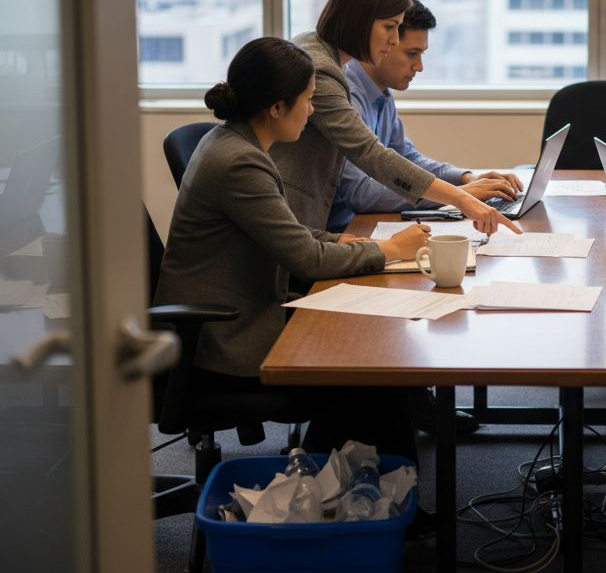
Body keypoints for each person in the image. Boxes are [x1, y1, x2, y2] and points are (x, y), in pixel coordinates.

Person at [154, 37, 430, 460]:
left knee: (374, 350)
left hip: (237, 316)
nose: (313, 111)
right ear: (277, 107)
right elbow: (306, 259)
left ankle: (351, 476)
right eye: (308, 100)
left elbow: (290, 232)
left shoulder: (237, 144)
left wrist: (342, 240)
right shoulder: (240, 163)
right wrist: (390, 250)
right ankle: (339, 481)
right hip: (223, 342)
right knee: (373, 368)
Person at [271, 0, 519, 240]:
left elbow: (402, 153)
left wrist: (464, 180)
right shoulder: (321, 71)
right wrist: (460, 197)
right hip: (298, 228)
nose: (394, 39)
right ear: (360, 21)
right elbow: (369, 154)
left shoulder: (356, 74)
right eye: (389, 27)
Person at [326, 0, 523, 233]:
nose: (419, 66)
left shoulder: (381, 92)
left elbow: (407, 157)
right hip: (339, 233)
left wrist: (465, 178)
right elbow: (361, 194)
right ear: (385, 43)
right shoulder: (345, 94)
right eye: (412, 53)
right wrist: (456, 195)